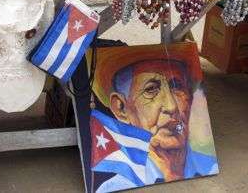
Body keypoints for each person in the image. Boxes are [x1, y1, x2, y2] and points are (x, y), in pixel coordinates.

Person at [91, 43, 218, 192]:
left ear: (190, 96)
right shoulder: (118, 186)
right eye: (151, 90)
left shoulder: (210, 166)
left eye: (177, 86)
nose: (171, 107)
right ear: (121, 108)